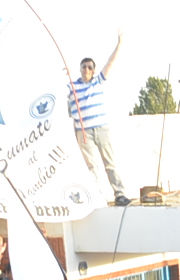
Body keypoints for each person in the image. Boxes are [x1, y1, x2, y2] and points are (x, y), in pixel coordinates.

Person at [71, 31, 130, 205]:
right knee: (92, 167)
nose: (87, 70)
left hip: (102, 128)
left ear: (94, 70)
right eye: (84, 67)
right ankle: (94, 197)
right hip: (83, 131)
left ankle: (119, 194)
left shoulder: (98, 81)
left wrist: (119, 44)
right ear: (80, 69)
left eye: (90, 67)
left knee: (109, 163)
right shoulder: (72, 86)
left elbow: (110, 63)